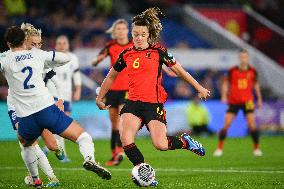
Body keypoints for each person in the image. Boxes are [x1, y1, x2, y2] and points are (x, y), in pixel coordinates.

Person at [96, 7, 210, 186]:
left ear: (148, 35)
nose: (139, 38)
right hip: (132, 102)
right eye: (136, 34)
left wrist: (199, 87)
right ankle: (146, 174)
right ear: (132, 35)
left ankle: (186, 142)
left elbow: (179, 71)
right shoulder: (126, 54)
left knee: (161, 144)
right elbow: (111, 76)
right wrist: (100, 97)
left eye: (142, 34)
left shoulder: (159, 52)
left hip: (153, 104)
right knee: (125, 138)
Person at [0, 26, 111, 188]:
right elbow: (64, 59)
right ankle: (89, 159)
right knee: (82, 136)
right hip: (46, 109)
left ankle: (36, 179)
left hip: (26, 115)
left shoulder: (4, 58)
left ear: (8, 43)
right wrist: (47, 57)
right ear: (25, 41)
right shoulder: (37, 54)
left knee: (26, 144)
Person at [6, 23, 65, 187]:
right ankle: (48, 178)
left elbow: (55, 80)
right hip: (17, 105)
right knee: (27, 142)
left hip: (38, 105)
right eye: (34, 44)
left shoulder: (40, 59)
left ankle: (57, 150)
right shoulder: (9, 58)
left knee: (52, 145)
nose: (38, 47)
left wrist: (60, 99)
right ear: (24, 42)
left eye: (40, 44)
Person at [91, 19, 132, 166]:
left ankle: (120, 150)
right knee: (114, 124)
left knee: (122, 120)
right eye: (118, 29)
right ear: (115, 32)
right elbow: (98, 57)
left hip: (127, 90)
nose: (121, 31)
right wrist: (96, 61)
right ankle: (115, 154)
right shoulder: (111, 46)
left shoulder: (134, 45)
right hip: (112, 90)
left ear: (127, 30)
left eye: (123, 28)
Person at [213, 49, 263, 157]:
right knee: (226, 125)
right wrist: (223, 95)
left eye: (245, 57)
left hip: (248, 102)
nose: (243, 59)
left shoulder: (253, 71)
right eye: (241, 57)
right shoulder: (232, 71)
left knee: (252, 125)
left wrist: (259, 98)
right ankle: (219, 148)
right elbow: (226, 84)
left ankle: (257, 148)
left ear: (248, 58)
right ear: (239, 58)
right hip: (234, 101)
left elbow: (256, 85)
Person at [44, 35, 82, 163]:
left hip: (67, 95)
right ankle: (62, 155)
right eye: (59, 42)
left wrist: (78, 90)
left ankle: (47, 148)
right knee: (60, 124)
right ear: (55, 45)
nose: (61, 45)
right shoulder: (50, 57)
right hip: (53, 94)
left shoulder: (73, 58)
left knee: (62, 126)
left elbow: (76, 75)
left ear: (68, 44)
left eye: (64, 42)